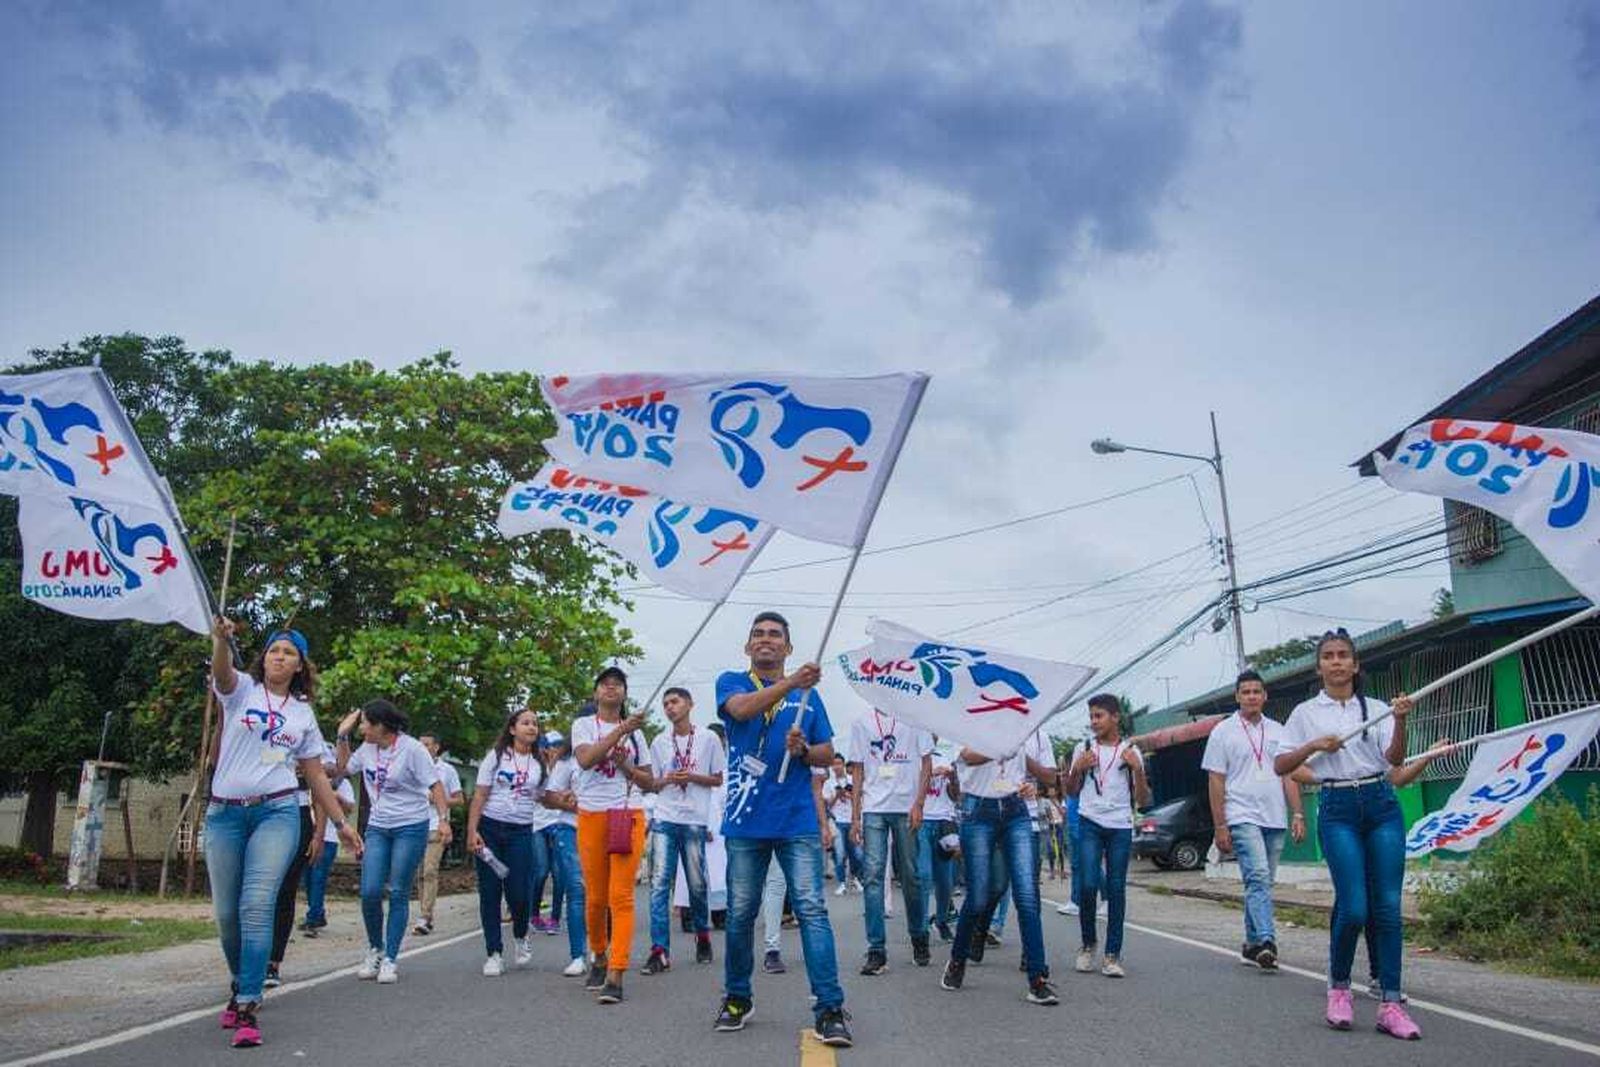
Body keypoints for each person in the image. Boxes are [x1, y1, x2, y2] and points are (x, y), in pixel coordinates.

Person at [206, 619, 360, 1050]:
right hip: (224, 816)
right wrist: (221, 640)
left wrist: (343, 825)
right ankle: (241, 981)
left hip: (277, 814)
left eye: (288, 653)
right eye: (274, 650)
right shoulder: (241, 692)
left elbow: (316, 776)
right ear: (264, 658)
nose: (279, 657)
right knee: (226, 914)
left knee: (257, 904)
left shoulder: (302, 714)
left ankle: (249, 1004)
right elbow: (221, 673)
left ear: (299, 666)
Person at [712, 612, 851, 1048]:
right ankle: (737, 998)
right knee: (739, 914)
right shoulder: (731, 681)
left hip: (796, 820)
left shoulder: (809, 697)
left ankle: (829, 1007)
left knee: (811, 909)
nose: (766, 640)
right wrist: (792, 684)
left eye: (775, 635)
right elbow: (740, 710)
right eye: (759, 634)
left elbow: (828, 752)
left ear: (788, 648)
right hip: (746, 820)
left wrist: (805, 749)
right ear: (748, 646)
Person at [1273, 628, 1421, 1040]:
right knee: (1354, 906)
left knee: (1388, 907)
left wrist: (1400, 720)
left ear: (1355, 665)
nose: (1336, 662)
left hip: (1381, 804)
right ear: (1319, 666)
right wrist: (1314, 746)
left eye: (1343, 655)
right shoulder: (1305, 713)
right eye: (1329, 656)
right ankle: (1339, 988)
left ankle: (1390, 1002)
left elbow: (1394, 760)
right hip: (1336, 806)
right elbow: (1281, 765)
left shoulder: (1374, 708)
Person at [335, 699, 452, 986]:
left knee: (398, 889)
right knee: (370, 890)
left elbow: (435, 786)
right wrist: (342, 735)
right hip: (378, 826)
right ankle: (375, 948)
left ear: (381, 726)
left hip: (410, 827)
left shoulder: (412, 749)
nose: (361, 728)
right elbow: (341, 769)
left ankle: (390, 958)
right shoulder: (367, 749)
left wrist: (444, 819)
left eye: (364, 723)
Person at [941, 726, 1058, 1006]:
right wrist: (1007, 740)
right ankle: (958, 960)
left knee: (1027, 896)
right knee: (979, 898)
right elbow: (968, 756)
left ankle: (1037, 979)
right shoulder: (966, 714)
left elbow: (1050, 778)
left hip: (1016, 809)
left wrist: (1032, 783)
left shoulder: (1023, 718)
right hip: (977, 811)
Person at [1201, 671, 1306, 971]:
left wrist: (1297, 812)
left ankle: (1250, 944)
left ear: (1264, 696)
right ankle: (1266, 940)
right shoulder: (1223, 731)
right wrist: (1220, 824)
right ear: (1237, 696)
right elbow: (1216, 780)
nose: (1251, 696)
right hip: (1241, 813)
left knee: (1262, 882)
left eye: (1256, 691)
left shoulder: (1279, 730)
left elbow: (1288, 773)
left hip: (1274, 816)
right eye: (1245, 692)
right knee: (1258, 876)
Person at [572, 667, 655, 1004]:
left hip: (627, 814)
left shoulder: (637, 735)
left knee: (621, 896)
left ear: (624, 693)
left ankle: (616, 973)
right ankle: (598, 953)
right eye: (605, 684)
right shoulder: (583, 725)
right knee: (595, 898)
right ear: (596, 694)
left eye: (617, 684)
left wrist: (625, 766)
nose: (611, 688)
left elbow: (649, 782)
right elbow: (587, 759)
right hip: (591, 815)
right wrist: (620, 730)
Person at [1064, 694, 1151, 979]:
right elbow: (1071, 790)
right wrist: (1078, 768)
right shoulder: (1083, 748)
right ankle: (1088, 944)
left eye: (1099, 716)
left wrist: (1137, 770)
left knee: (1116, 889)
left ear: (1115, 717)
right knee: (1088, 885)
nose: (1094, 722)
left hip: (1120, 825)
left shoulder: (1131, 752)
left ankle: (1112, 954)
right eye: (1091, 716)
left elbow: (1142, 798)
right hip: (1090, 821)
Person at [644, 686, 726, 974]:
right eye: (665, 703)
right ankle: (659, 950)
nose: (670, 707)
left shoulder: (708, 738)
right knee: (658, 885)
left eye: (675, 702)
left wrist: (691, 776)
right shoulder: (659, 741)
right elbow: (652, 783)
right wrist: (667, 779)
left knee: (697, 884)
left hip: (694, 818)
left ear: (690, 704)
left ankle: (702, 934)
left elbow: (717, 779)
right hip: (665, 817)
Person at [849, 707, 933, 972]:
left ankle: (919, 936)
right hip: (874, 808)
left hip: (905, 807)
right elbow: (858, 771)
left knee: (910, 875)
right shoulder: (861, 722)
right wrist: (855, 817)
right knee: (872, 876)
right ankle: (876, 950)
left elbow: (927, 762)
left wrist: (919, 803)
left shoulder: (913, 717)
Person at [464, 708, 546, 976]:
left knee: (519, 894)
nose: (531, 727)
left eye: (534, 724)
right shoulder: (497, 756)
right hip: (490, 829)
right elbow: (479, 795)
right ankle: (494, 953)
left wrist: (568, 800)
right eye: (525, 723)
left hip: (521, 831)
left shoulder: (540, 763)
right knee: (489, 892)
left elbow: (544, 796)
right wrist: (472, 831)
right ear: (512, 729)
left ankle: (521, 936)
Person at [265, 741, 335, 987]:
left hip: (299, 814)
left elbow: (322, 782)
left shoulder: (309, 739)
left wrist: (319, 834)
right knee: (258, 891)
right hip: (263, 813)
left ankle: (272, 963)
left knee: (285, 890)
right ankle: (250, 958)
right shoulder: (261, 734)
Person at [543, 732, 590, 976]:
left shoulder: (616, 756)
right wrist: (568, 801)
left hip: (604, 831)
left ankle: (602, 949)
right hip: (570, 830)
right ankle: (577, 955)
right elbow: (548, 798)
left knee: (602, 894)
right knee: (576, 890)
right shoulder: (566, 762)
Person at [412, 733, 464, 936]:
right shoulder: (412, 767)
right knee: (419, 872)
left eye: (427, 744)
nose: (423, 747)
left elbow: (459, 799)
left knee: (430, 870)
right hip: (415, 824)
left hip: (437, 824)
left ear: (436, 747)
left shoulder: (447, 770)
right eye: (420, 744)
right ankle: (426, 913)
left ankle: (425, 916)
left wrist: (438, 799)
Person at [301, 754, 356, 937]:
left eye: (330, 763)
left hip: (330, 837)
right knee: (308, 878)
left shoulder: (343, 784)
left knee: (318, 876)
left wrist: (335, 796)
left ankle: (313, 918)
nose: (327, 766)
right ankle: (317, 912)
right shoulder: (309, 782)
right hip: (309, 834)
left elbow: (349, 809)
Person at [915, 739, 960, 943]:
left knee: (946, 879)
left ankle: (941, 921)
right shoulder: (913, 757)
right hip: (922, 821)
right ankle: (921, 925)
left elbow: (956, 795)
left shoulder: (947, 756)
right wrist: (928, 773)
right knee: (923, 875)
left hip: (945, 822)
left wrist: (953, 777)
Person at [823, 755, 863, 893]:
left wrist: (850, 796)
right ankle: (841, 882)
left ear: (843, 764)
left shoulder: (853, 780)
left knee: (857, 854)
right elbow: (827, 804)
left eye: (839, 763)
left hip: (852, 821)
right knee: (839, 854)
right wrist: (837, 795)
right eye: (834, 764)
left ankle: (855, 878)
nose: (837, 766)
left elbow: (859, 801)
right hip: (837, 821)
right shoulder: (828, 783)